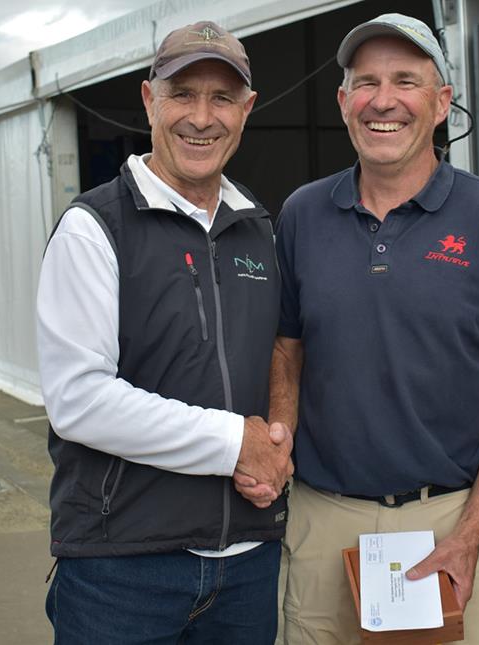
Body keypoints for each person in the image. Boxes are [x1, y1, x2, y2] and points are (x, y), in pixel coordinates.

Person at [241, 13, 479, 644]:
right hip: (323, 519)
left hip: (452, 519)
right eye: (365, 83)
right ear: (342, 102)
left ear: (441, 103)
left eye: (406, 82)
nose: (382, 100)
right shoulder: (303, 213)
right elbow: (287, 348)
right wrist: (278, 443)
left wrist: (469, 536)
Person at [36, 21, 294, 644]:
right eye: (183, 94)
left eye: (222, 98)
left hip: (248, 565)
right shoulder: (94, 227)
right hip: (123, 571)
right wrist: (236, 442)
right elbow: (79, 400)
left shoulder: (258, 228)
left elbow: (280, 355)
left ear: (247, 110)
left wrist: (278, 444)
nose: (201, 117)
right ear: (150, 99)